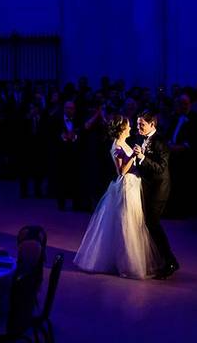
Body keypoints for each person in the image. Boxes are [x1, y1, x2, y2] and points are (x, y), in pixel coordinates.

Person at [74, 116, 160, 279]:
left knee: (133, 222)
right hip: (125, 187)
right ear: (121, 129)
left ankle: (131, 260)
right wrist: (133, 156)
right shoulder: (116, 145)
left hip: (133, 186)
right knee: (125, 223)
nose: (130, 128)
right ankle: (128, 264)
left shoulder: (124, 143)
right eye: (128, 126)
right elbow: (121, 171)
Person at [129, 111, 180, 278]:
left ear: (152, 125)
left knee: (153, 223)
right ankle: (158, 259)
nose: (138, 127)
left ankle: (170, 260)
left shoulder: (160, 141)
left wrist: (142, 157)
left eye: (142, 124)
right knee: (148, 223)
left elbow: (160, 168)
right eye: (137, 124)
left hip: (159, 189)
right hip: (147, 187)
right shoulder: (140, 137)